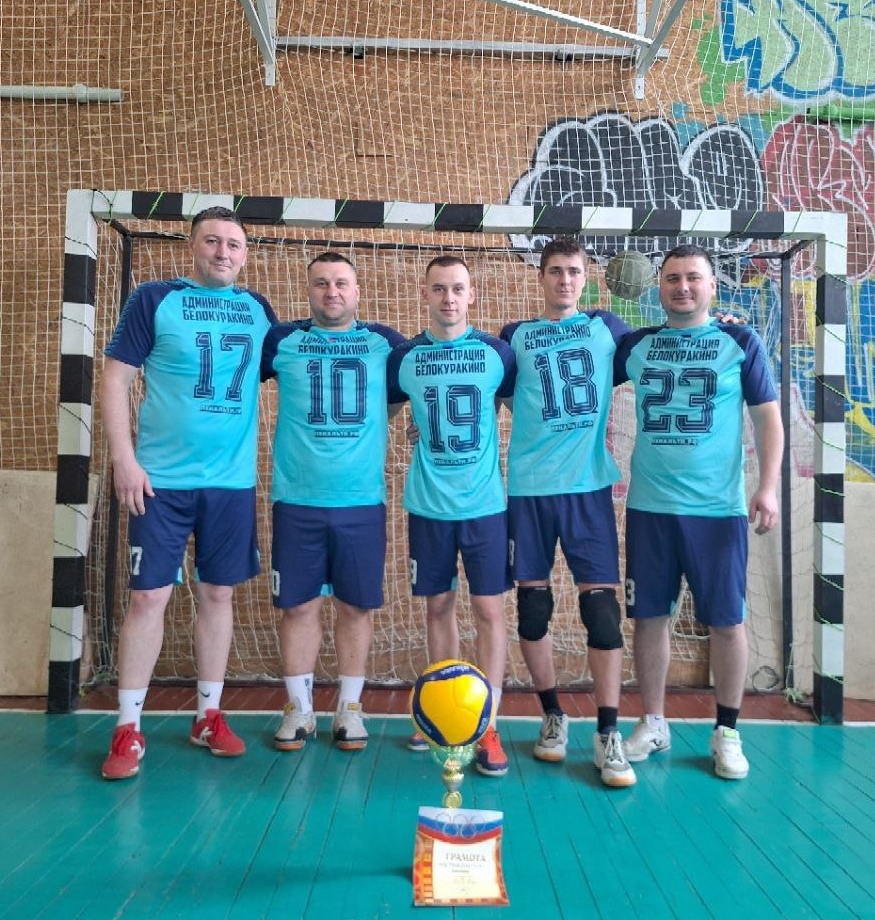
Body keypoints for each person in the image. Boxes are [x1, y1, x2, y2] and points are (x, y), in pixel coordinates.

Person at [99, 206, 278, 781]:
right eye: (212, 241)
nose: (223, 252)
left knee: (219, 595)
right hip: (160, 481)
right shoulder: (155, 299)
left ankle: (208, 715)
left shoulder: (258, 310)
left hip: (230, 484)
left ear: (245, 255)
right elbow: (115, 378)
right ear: (192, 246)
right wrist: (124, 460)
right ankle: (128, 727)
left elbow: (296, 372)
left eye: (233, 244)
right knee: (148, 598)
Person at [613, 244, 783, 780]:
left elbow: (768, 420)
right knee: (649, 618)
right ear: (658, 286)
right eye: (672, 278)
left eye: (693, 278)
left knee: (727, 621)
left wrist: (768, 488)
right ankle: (653, 722)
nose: (682, 287)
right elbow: (582, 354)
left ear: (712, 286)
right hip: (650, 508)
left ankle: (727, 730)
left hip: (717, 511)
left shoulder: (740, 341)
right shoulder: (635, 346)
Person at [498, 236, 637, 788]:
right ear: (541, 277)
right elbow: (485, 387)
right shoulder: (515, 337)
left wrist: (721, 323)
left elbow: (664, 345)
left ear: (586, 277)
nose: (564, 280)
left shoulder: (607, 329)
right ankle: (552, 715)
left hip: (587, 490)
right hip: (529, 491)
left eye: (573, 271)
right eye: (555, 270)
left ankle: (608, 731)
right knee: (532, 611)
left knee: (602, 613)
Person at [261, 251, 407, 753]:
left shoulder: (384, 343)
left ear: (357, 291)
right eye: (321, 283)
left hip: (361, 500)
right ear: (308, 290)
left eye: (341, 283)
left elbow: (416, 389)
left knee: (355, 606)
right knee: (298, 606)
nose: (332, 292)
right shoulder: (282, 341)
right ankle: (299, 708)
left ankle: (349, 707)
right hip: (296, 499)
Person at [387, 256, 517, 776]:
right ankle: (443, 713)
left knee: (489, 611)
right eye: (439, 288)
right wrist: (414, 426)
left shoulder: (497, 354)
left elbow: (519, 409)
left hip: (485, 506)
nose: (448, 298)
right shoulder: (405, 358)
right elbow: (384, 417)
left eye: (457, 288)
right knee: (438, 607)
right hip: (428, 506)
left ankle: (487, 723)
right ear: (425, 294)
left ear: (471, 295)